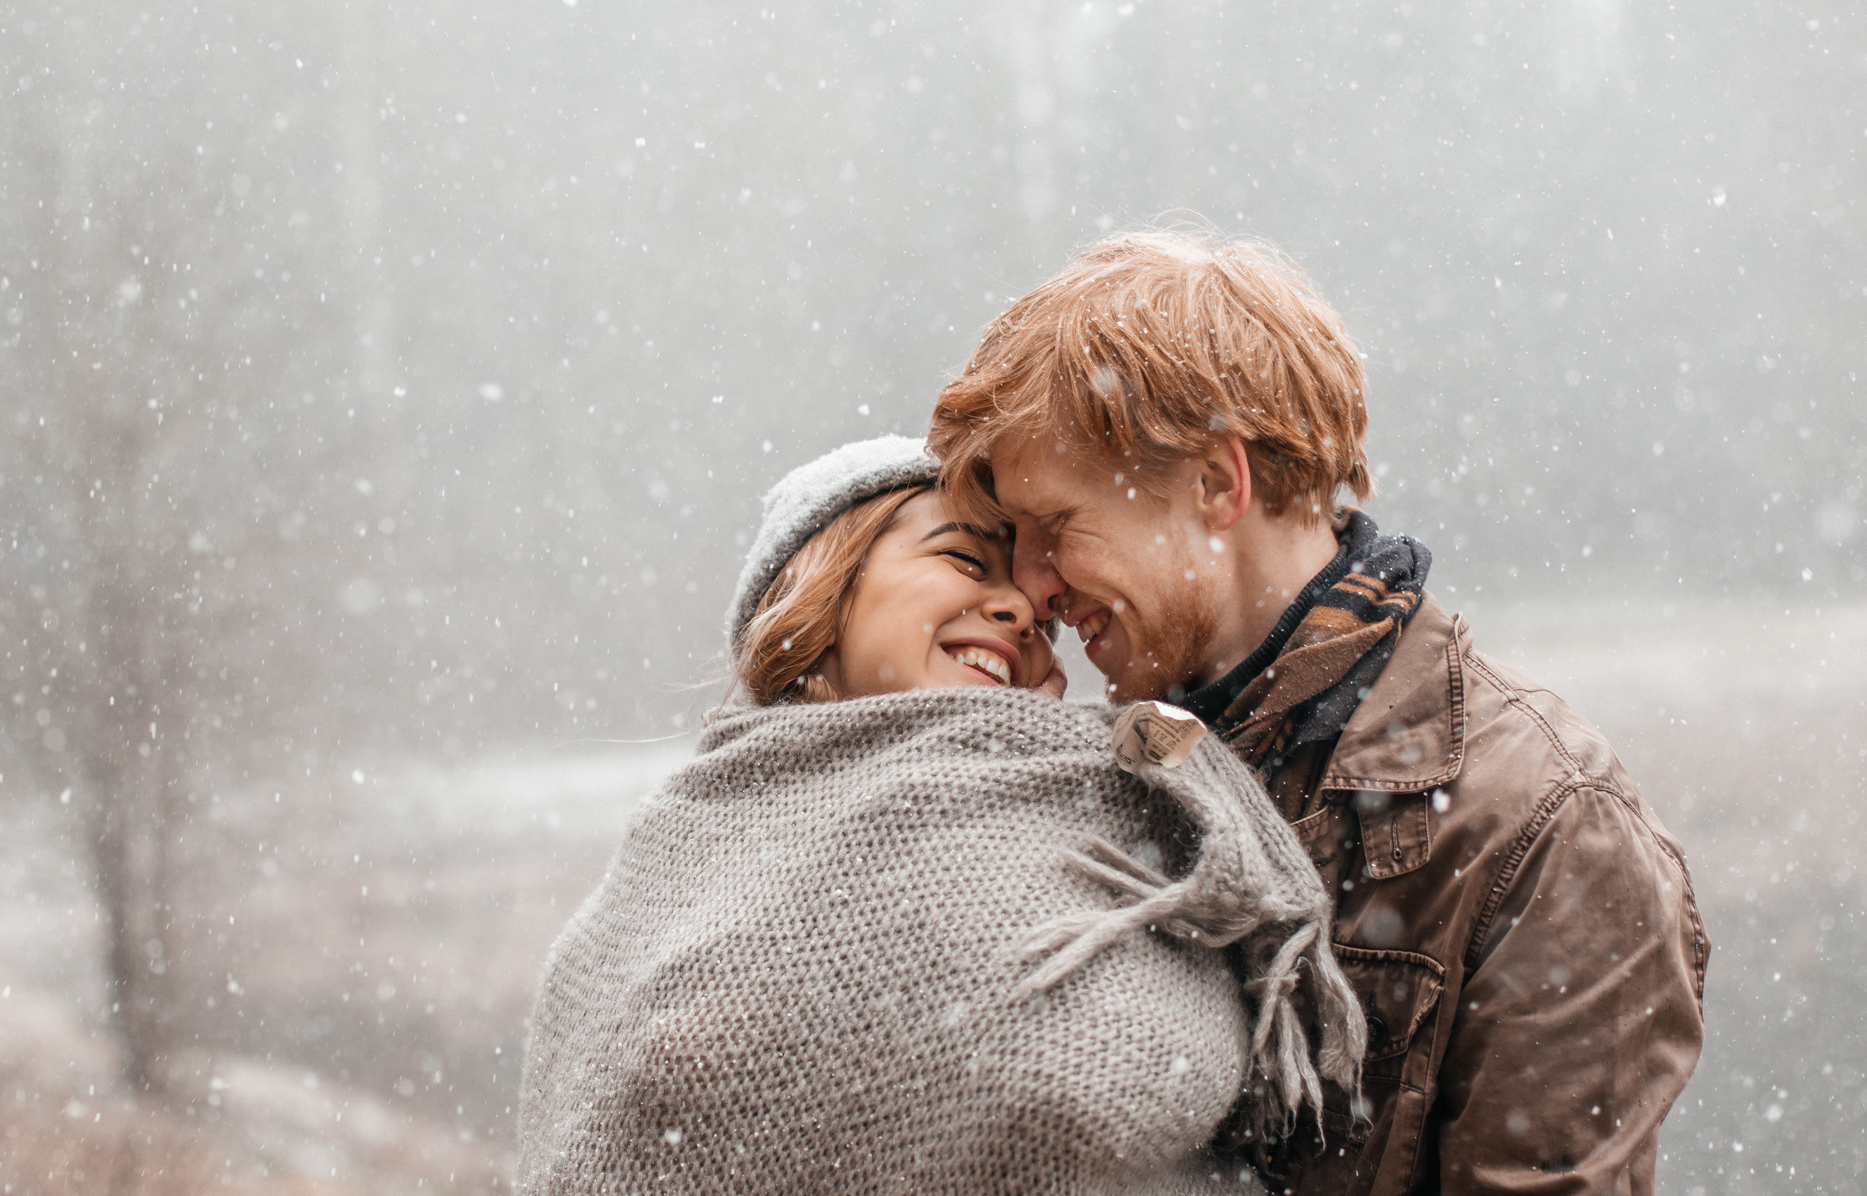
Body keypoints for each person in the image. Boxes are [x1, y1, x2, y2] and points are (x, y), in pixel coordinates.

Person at [929, 229, 1709, 1194]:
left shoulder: (1543, 823)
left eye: (1056, 527)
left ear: (1218, 481)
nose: (1034, 583)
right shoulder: (1121, 767)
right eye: (1012, 540)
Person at [517, 436, 1363, 1195]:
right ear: (822, 593)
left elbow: (1122, 1086)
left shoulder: (1125, 785)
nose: (1024, 610)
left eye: (1041, 612)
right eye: (964, 560)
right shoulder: (676, 861)